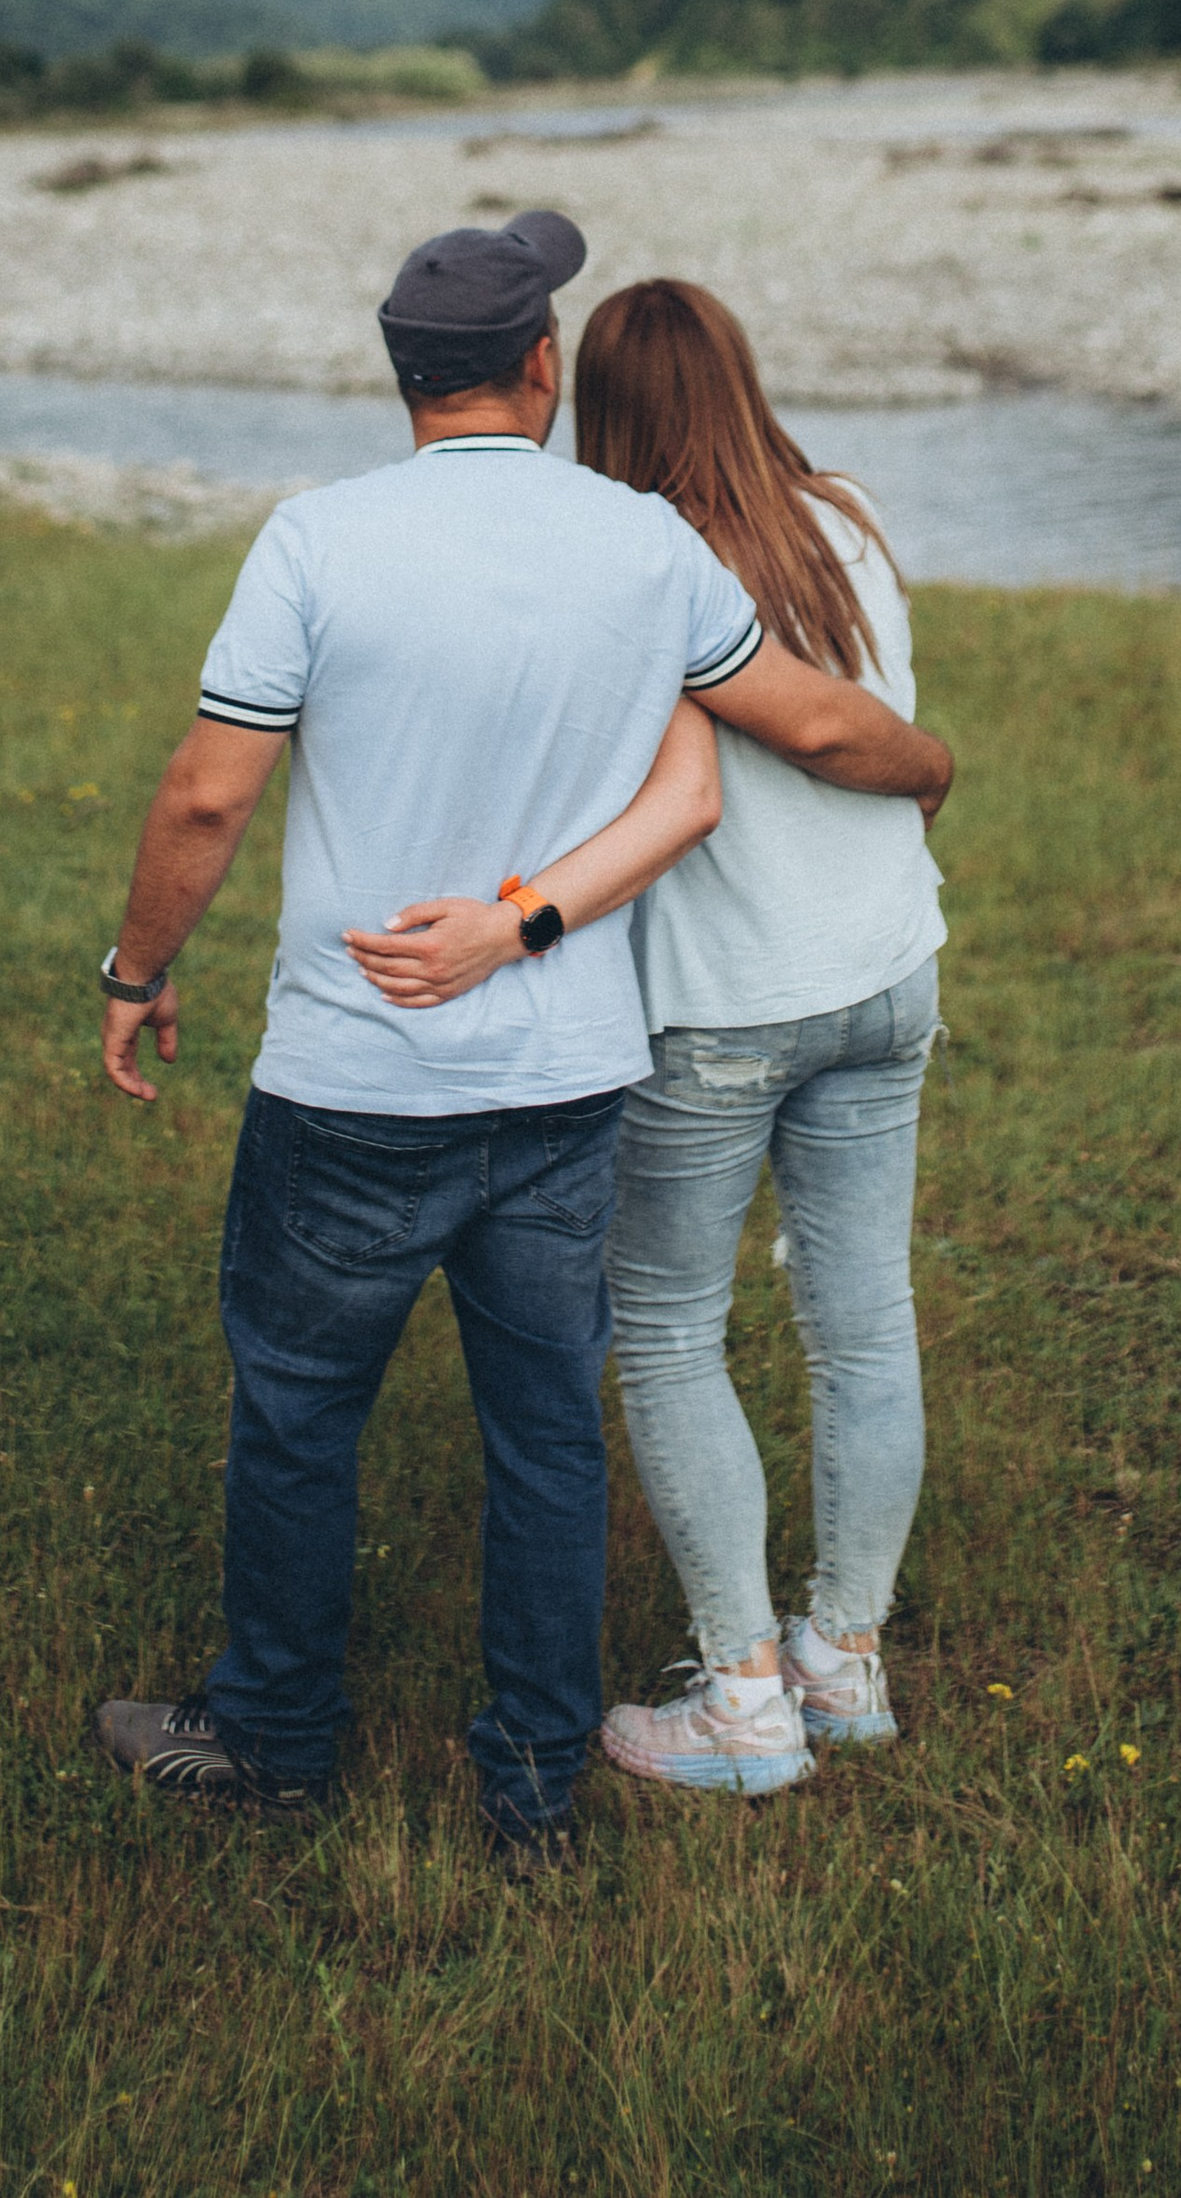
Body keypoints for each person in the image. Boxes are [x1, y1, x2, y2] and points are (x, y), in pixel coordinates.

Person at [90, 208, 955, 1858]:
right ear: (541, 367)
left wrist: (138, 971)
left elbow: (210, 788)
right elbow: (762, 748)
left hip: (350, 1080)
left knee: (296, 1419)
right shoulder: (644, 548)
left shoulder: (314, 537)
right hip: (565, 1087)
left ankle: (276, 1737)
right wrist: (923, 768)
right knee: (550, 1435)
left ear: (403, 379)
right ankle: (540, 1784)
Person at [576, 278, 953, 1797]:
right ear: (739, 378)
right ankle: (843, 1663)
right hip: (885, 975)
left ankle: (741, 1705)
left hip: (724, 1004)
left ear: (603, 411)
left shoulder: (629, 563)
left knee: (670, 1332)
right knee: (862, 1324)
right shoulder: (842, 514)